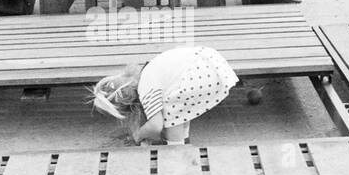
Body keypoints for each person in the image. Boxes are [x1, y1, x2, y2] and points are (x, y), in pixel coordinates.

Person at [91, 45, 239, 145]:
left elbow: (155, 126)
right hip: (211, 61)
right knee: (179, 111)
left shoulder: (145, 88)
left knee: (170, 119)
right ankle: (184, 140)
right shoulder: (147, 71)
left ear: (130, 104)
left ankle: (176, 152)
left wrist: (137, 135)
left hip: (202, 73)